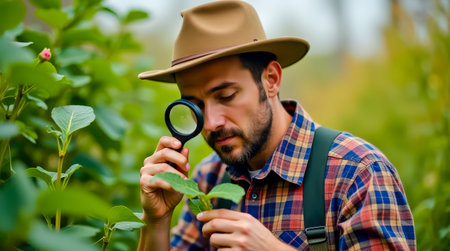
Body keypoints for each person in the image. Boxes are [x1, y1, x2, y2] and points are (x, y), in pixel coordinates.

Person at [137, 1, 416, 250]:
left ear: (271, 79)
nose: (211, 123)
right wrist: (156, 221)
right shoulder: (207, 179)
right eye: (195, 106)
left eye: (226, 96)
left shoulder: (357, 172)